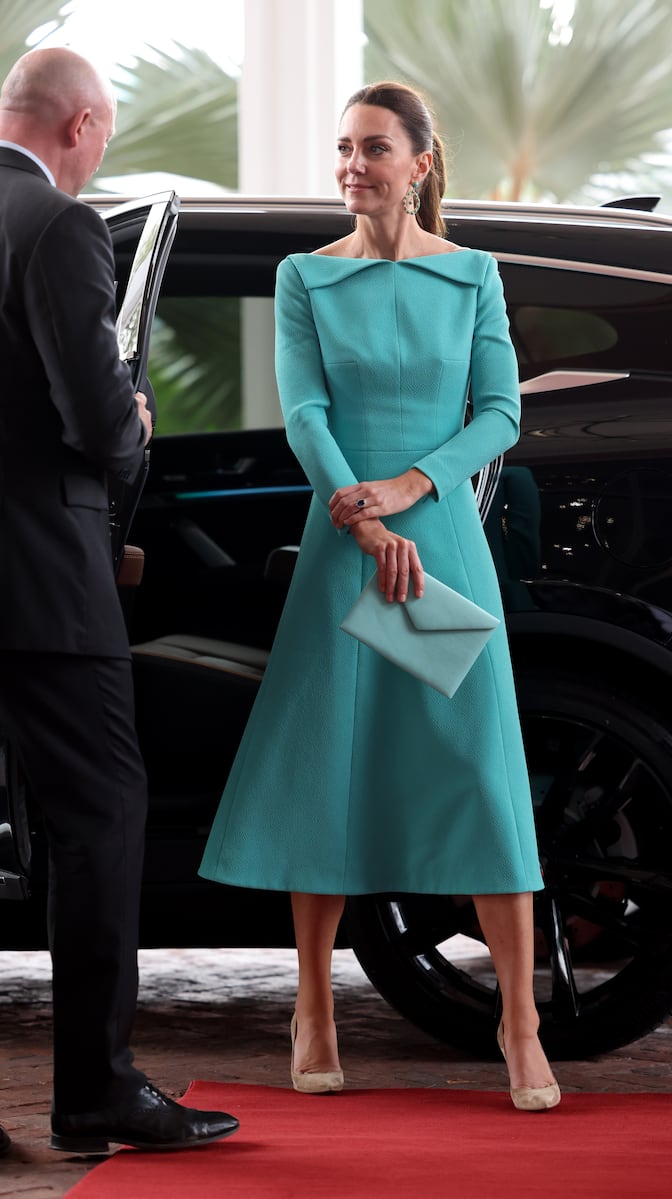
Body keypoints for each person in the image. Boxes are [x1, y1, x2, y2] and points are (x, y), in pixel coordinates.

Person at [200, 80, 560, 1112]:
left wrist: (408, 491)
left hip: (438, 538)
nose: (351, 166)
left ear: (420, 161)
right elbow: (305, 414)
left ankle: (519, 1020)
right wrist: (360, 521)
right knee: (329, 769)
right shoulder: (306, 276)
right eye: (342, 150)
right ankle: (311, 1001)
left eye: (371, 149)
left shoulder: (474, 276)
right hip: (341, 542)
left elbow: (499, 414)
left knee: (479, 774)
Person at [0, 47, 239, 1153]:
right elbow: (96, 414)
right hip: (41, 577)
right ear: (82, 125)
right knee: (99, 817)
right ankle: (97, 1089)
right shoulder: (55, 227)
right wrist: (133, 422)